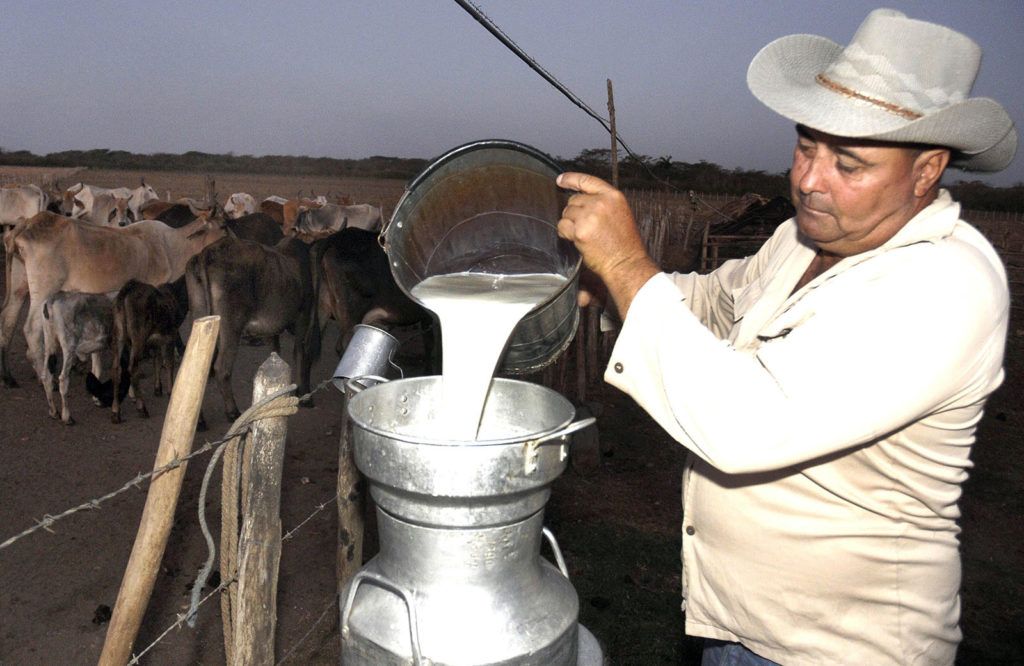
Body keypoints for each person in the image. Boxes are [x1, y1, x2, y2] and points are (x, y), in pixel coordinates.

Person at [556, 8, 1016, 665]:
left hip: (840, 647)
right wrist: (612, 288)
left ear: (926, 171)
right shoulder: (803, 240)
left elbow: (747, 426)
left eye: (848, 163)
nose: (807, 179)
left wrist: (630, 267)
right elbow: (714, 303)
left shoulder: (945, 284)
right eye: (806, 145)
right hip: (738, 621)